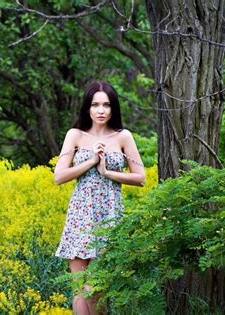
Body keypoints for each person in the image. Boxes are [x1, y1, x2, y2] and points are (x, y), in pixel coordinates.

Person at [54, 80, 146, 314]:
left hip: (108, 218)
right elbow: (59, 176)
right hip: (79, 217)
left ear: (113, 108)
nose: (101, 110)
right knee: (79, 291)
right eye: (95, 105)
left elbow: (141, 177)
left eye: (106, 105)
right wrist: (91, 162)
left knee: (95, 289)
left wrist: (107, 172)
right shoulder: (75, 135)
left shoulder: (123, 137)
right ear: (87, 108)